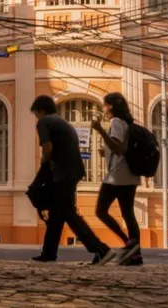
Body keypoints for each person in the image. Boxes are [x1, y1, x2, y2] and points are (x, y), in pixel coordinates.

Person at [30, 95, 117, 265]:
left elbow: (47, 148)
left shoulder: (44, 122)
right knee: (56, 214)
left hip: (62, 173)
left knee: (67, 213)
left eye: (36, 114)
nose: (37, 117)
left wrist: (42, 164)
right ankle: (48, 253)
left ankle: (101, 249)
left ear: (41, 110)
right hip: (74, 171)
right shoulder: (64, 123)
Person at [91, 92, 143, 266]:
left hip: (117, 176)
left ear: (111, 106)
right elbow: (120, 148)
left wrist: (100, 130)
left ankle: (128, 241)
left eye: (105, 105)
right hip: (130, 175)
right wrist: (105, 151)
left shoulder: (116, 122)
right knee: (128, 213)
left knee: (100, 210)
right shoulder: (127, 122)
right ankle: (136, 254)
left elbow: (119, 148)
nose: (104, 109)